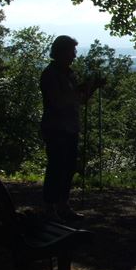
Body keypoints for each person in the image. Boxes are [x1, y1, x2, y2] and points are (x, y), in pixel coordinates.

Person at [40, 35, 104, 221]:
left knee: (68, 168)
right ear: (61, 52)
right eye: (72, 51)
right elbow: (60, 101)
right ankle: (50, 207)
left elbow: (80, 101)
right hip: (56, 128)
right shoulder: (51, 74)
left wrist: (91, 88)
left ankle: (62, 205)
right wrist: (80, 90)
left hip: (70, 127)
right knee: (56, 168)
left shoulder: (68, 74)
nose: (74, 55)